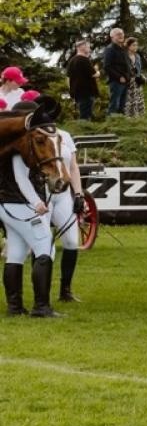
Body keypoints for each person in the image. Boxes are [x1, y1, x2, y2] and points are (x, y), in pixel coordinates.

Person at [0, 101, 63, 317]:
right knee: (45, 246)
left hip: (8, 205)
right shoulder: (19, 148)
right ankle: (41, 307)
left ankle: (15, 307)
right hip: (21, 206)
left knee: (16, 254)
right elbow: (21, 179)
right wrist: (36, 202)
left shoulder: (13, 145)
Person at [46, 120, 88, 304]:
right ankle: (43, 291)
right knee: (46, 246)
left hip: (63, 193)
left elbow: (73, 166)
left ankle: (66, 289)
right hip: (43, 193)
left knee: (71, 241)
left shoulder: (65, 136)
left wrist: (78, 193)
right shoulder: (36, 137)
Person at [65, 41, 98, 121]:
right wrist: (98, 72)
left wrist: (71, 89)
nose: (89, 49)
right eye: (88, 47)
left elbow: (68, 78)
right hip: (87, 91)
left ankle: (84, 129)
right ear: (81, 47)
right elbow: (94, 74)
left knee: (83, 112)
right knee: (86, 115)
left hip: (77, 91)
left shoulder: (72, 61)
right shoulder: (84, 60)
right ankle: (85, 131)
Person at [102, 28, 132, 114]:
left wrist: (129, 76)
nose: (121, 35)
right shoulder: (110, 49)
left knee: (122, 107)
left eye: (122, 33)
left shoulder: (123, 48)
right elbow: (107, 66)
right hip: (116, 82)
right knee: (114, 106)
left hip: (126, 81)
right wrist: (119, 77)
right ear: (112, 36)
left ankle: (120, 126)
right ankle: (111, 126)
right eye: (118, 34)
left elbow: (127, 64)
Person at [124, 37, 147, 118]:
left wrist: (141, 77)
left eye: (136, 45)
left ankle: (138, 118)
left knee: (138, 99)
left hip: (137, 82)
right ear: (128, 46)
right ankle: (129, 118)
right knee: (129, 101)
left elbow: (139, 69)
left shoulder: (137, 56)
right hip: (128, 81)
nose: (135, 47)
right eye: (133, 45)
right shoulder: (124, 56)